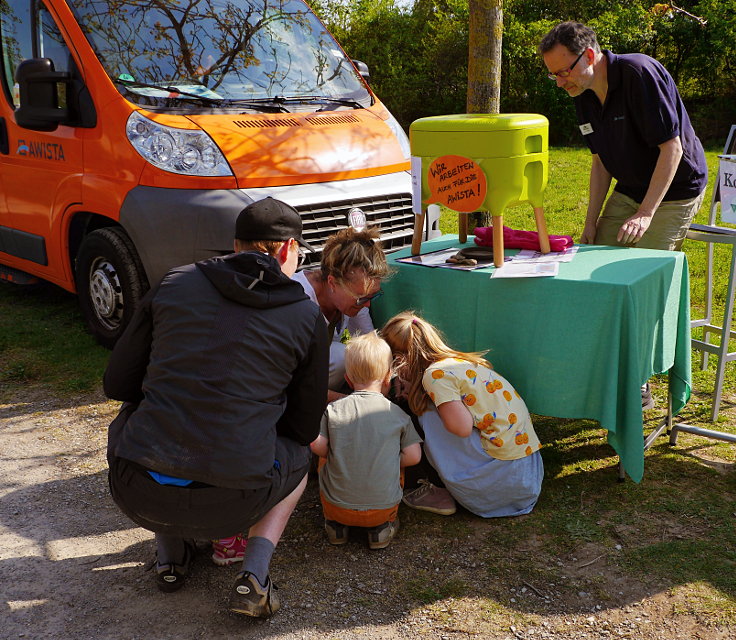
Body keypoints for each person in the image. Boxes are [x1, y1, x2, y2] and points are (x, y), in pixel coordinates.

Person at [104, 196, 329, 619]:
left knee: (134, 416)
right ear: (286, 250)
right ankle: (254, 577)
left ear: (236, 244)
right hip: (235, 503)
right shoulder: (305, 315)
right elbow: (302, 427)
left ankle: (171, 554)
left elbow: (117, 383)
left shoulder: (173, 282)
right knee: (299, 452)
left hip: (136, 492)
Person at [539, 21, 707, 252]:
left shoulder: (639, 73)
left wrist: (645, 213)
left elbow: (672, 148)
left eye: (563, 72)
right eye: (553, 75)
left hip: (676, 189)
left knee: (645, 268)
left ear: (589, 56)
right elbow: (600, 161)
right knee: (595, 259)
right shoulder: (581, 92)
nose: (559, 83)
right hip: (630, 190)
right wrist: (590, 222)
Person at [381, 312, 544, 518]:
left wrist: (415, 398)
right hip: (525, 479)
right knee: (427, 402)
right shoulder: (456, 362)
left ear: (399, 359)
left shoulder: (434, 376)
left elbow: (462, 427)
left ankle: (438, 489)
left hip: (499, 487)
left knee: (424, 409)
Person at [310, 332, 422, 549]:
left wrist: (336, 453)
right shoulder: (398, 414)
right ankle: (380, 530)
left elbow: (317, 445)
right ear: (389, 377)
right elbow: (414, 457)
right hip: (382, 509)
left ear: (348, 379)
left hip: (336, 506)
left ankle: (336, 528)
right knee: (397, 461)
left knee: (327, 457)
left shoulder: (333, 410)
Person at [292, 226, 391, 402]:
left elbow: (370, 347)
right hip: (289, 387)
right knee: (341, 357)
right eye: (361, 298)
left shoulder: (352, 298)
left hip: (313, 382)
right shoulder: (298, 302)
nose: (367, 304)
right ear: (332, 282)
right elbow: (293, 383)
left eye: (372, 296)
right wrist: (354, 404)